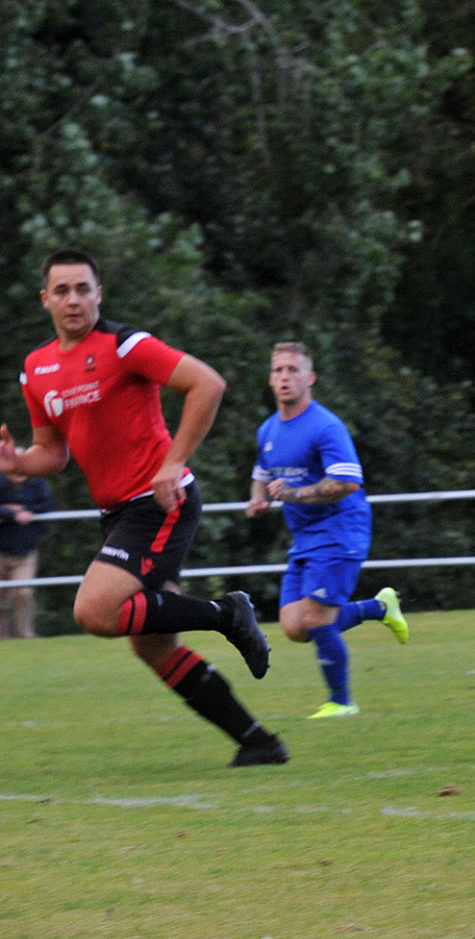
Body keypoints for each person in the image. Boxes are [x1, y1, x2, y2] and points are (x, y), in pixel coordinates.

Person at [0, 248, 285, 766]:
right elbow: (53, 453)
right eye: (62, 290)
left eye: (83, 288)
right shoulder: (35, 369)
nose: (73, 299)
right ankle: (258, 743)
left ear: (99, 293)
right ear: (44, 300)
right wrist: (18, 462)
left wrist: (174, 462)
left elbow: (207, 383)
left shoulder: (125, 345)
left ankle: (227, 613)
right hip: (118, 515)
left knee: (94, 610)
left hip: (159, 503)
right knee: (153, 646)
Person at [246, 341, 408, 719]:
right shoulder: (267, 430)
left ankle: (341, 702)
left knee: (317, 619)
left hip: (340, 530)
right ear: (271, 378)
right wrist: (259, 499)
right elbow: (262, 474)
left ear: (310, 378)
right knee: (294, 626)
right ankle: (380, 608)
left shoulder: (325, 426)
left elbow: (348, 483)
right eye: (278, 370)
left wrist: (292, 494)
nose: (285, 377)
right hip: (305, 538)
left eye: (293, 370)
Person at [0, 470, 50, 638]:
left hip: (26, 553)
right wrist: (10, 513)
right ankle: (3, 640)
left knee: (24, 593)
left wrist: (24, 510)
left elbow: (46, 506)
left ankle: (25, 637)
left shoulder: (37, 483)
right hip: (1, 551)